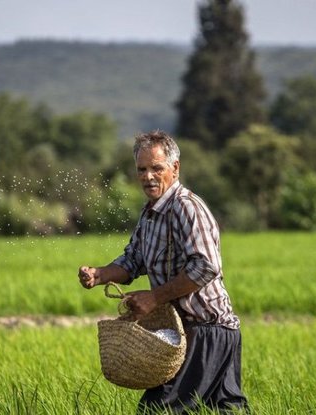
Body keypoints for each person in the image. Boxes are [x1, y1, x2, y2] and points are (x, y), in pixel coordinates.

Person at [78, 130, 248, 413]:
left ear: (175, 168)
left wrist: (154, 298)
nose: (148, 176)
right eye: (142, 169)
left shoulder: (186, 207)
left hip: (207, 330)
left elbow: (206, 266)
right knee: (224, 410)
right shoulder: (150, 213)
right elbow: (133, 260)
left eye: (156, 168)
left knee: (157, 409)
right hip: (187, 332)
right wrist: (101, 275)